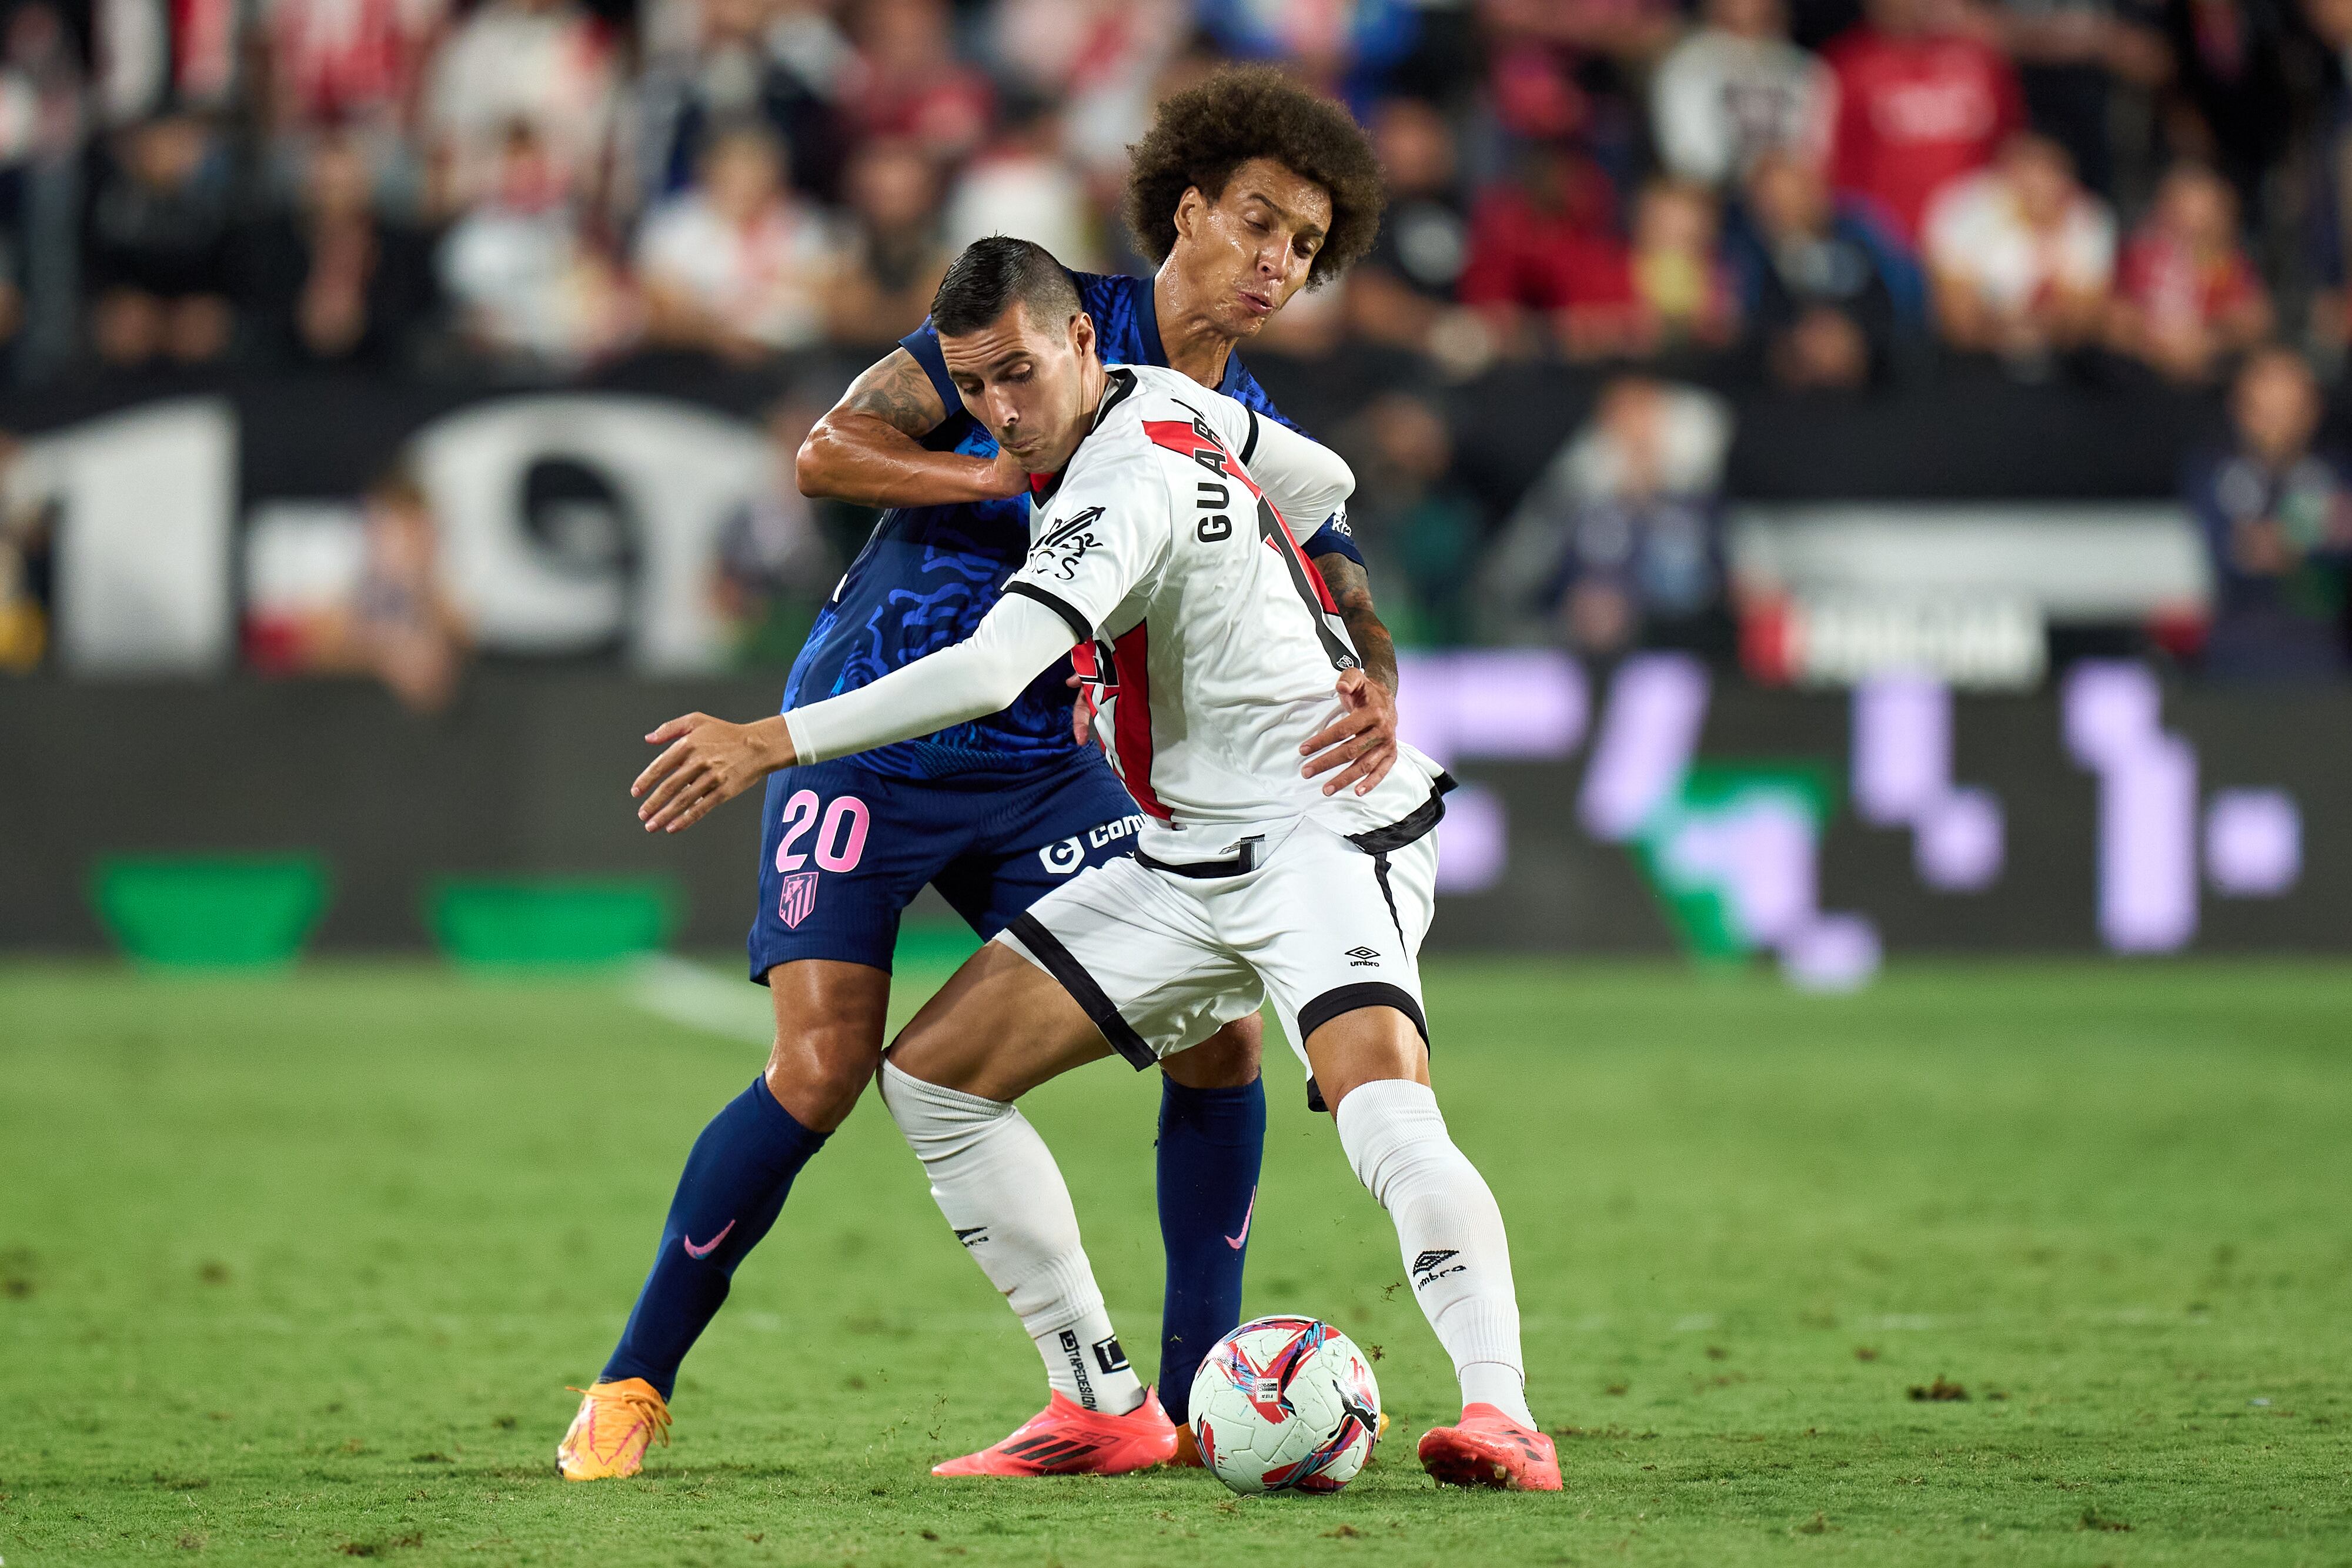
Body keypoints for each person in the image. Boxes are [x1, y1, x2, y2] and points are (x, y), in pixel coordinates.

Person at [555, 66, 1402, 1482]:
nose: (1275, 262)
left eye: (1303, 247)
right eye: (1257, 222)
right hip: (869, 736)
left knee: (1219, 1034)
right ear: (1185, 210)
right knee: (821, 1072)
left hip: (1039, 766)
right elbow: (830, 451)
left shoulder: (1233, 416)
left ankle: (1194, 1395)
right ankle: (634, 1380)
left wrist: (1376, 672)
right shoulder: (1034, 317)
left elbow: (1331, 557)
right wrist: (1003, 479)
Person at [626, 238, 1558, 1492]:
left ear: (1079, 345)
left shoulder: (1115, 482)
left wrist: (768, 740)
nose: (1002, 413)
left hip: (1319, 824)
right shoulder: (1167, 396)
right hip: (1186, 854)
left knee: (1380, 1106)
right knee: (936, 1079)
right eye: (975, 386)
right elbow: (1321, 474)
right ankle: (1101, 1401)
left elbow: (986, 668)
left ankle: (1499, 1415)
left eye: (1020, 372)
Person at [2180, 347, 2352, 677]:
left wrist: (2297, 542)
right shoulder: (2212, 471)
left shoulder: (2334, 472)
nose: (2275, 426)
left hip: (2322, 654)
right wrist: (2308, 536)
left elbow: (2333, 559)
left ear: (2311, 412)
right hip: (2232, 656)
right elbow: (2231, 548)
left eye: (2288, 411)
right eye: (2264, 411)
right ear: (2239, 410)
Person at [1923, 131, 2114, 372]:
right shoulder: (1963, 209)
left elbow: (2083, 321)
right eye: (2028, 167)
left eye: (2050, 170)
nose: (2038, 182)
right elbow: (1957, 321)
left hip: (2062, 366)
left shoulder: (2089, 218)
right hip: (1973, 363)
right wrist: (2011, 333)